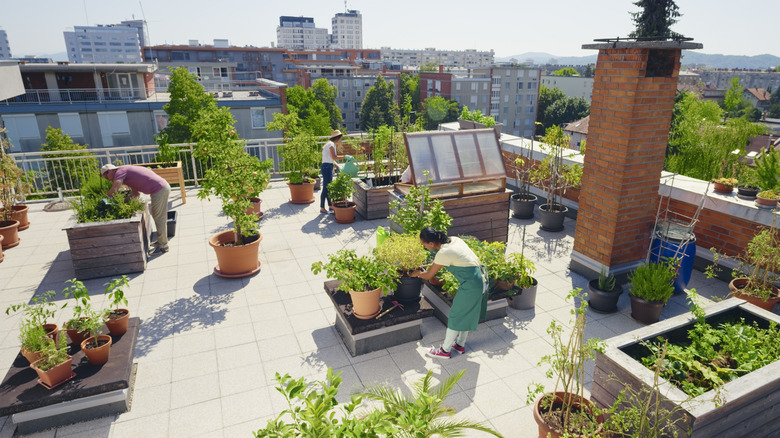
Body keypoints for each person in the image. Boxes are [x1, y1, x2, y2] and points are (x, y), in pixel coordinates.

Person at [412, 227, 488, 359]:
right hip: (481, 279)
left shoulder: (443, 253)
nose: (424, 247)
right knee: (466, 314)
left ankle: (444, 351)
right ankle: (459, 344)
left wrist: (416, 274)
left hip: (472, 286)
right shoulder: (454, 240)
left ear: (431, 243)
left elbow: (429, 275)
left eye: (423, 244)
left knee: (455, 315)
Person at [101, 164, 171, 255]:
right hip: (159, 189)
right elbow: (136, 194)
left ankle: (163, 246)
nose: (108, 180)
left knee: (159, 217)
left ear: (109, 171)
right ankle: (161, 241)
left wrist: (104, 199)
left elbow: (115, 187)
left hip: (160, 189)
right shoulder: (126, 176)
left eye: (106, 177)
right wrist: (123, 201)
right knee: (157, 215)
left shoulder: (120, 171)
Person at [321, 130, 345, 214]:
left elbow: (330, 158)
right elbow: (334, 157)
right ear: (337, 138)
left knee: (328, 187)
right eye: (340, 139)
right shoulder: (331, 145)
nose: (341, 140)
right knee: (326, 188)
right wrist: (345, 156)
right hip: (327, 167)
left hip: (327, 166)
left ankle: (330, 206)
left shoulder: (329, 144)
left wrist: (337, 165)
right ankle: (322, 208)